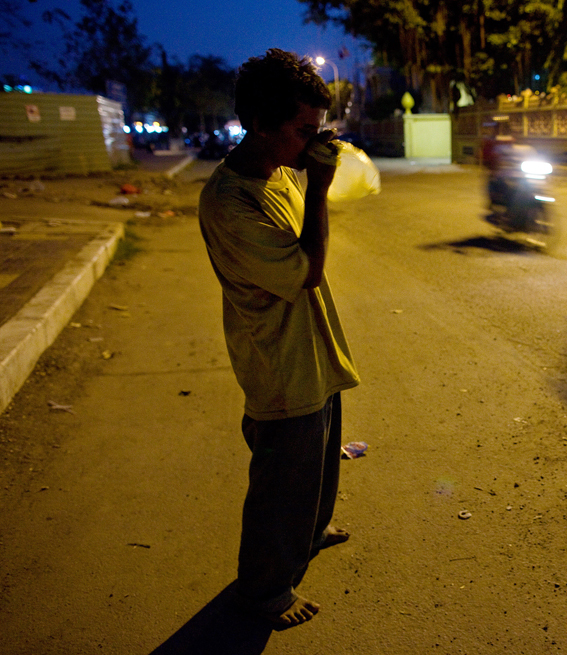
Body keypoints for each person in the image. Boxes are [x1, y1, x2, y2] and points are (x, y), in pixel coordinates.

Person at [198, 48, 360, 628]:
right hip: (277, 360)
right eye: (301, 131)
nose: (309, 143)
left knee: (317, 460)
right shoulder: (231, 200)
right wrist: (317, 185)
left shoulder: (277, 171)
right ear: (260, 124)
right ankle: (264, 589)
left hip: (310, 348)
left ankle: (310, 534)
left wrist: (314, 165)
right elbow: (306, 270)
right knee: (282, 479)